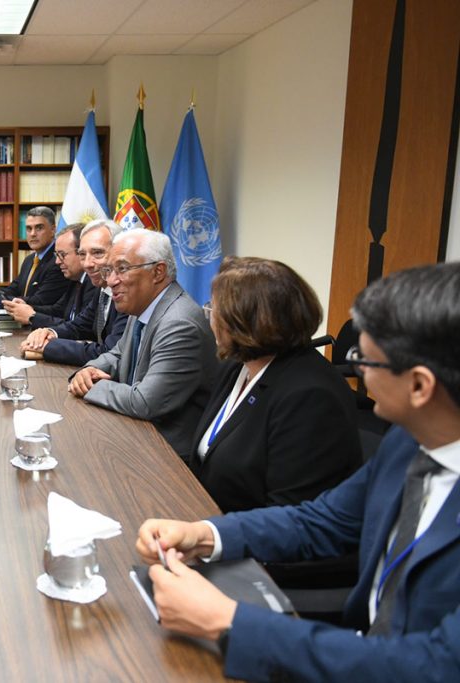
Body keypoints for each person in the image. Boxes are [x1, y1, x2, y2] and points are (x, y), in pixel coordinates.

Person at [136, 262, 460, 681]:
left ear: (420, 386)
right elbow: (320, 519)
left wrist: (228, 621)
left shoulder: (320, 397)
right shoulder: (408, 443)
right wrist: (206, 534)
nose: (356, 371)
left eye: (366, 361)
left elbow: (437, 666)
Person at [192, 256, 362, 511]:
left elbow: (291, 515)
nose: (209, 318)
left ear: (243, 321)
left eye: (212, 309)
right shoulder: (239, 365)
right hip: (205, 518)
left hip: (250, 542)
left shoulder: (309, 397)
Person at [69, 228, 216, 460]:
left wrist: (92, 386)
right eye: (110, 270)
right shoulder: (142, 307)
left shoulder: (178, 323)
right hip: (137, 432)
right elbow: (117, 354)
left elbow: (145, 402)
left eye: (122, 269)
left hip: (167, 455)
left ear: (158, 272)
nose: (110, 280)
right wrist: (88, 371)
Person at [20, 218, 129, 365]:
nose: (87, 264)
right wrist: (49, 333)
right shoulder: (102, 288)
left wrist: (48, 347)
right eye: (82, 254)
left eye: (97, 253)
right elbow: (80, 325)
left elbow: (109, 352)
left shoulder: (127, 292)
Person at [1, 223, 96, 328]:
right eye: (56, 255)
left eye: (62, 255)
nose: (57, 261)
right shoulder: (75, 280)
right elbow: (57, 310)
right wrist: (26, 308)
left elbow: (80, 328)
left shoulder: (94, 283)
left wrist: (33, 317)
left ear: (81, 253)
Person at [0, 205, 69, 310]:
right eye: (28, 228)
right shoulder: (29, 259)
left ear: (53, 229)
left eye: (39, 228)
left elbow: (40, 300)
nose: (33, 234)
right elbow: (15, 288)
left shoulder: (58, 261)